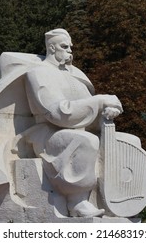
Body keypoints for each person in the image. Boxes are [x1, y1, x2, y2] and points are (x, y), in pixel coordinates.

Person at [24, 28, 123, 217]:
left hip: (77, 130)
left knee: (128, 140)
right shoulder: (38, 73)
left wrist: (107, 112)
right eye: (64, 46)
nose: (70, 50)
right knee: (86, 141)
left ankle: (117, 200)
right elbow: (59, 113)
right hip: (47, 133)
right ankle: (77, 202)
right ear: (52, 48)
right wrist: (101, 101)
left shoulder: (75, 76)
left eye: (70, 47)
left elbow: (90, 111)